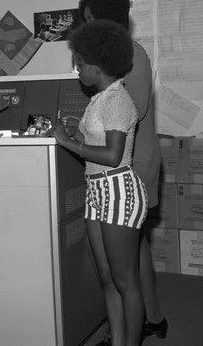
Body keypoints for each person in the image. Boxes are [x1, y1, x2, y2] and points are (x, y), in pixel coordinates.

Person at [78, 0, 167, 343]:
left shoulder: (133, 55)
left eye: (89, 20)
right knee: (128, 251)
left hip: (133, 161)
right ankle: (142, 320)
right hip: (110, 166)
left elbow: (134, 108)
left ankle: (150, 318)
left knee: (130, 249)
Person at [52, 19, 148, 346]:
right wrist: (76, 132)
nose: (76, 69)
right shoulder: (100, 98)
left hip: (119, 190)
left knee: (125, 280)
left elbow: (111, 155)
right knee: (106, 278)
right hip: (97, 190)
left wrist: (68, 143)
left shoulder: (118, 101)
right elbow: (95, 146)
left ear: (96, 64)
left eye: (79, 63)